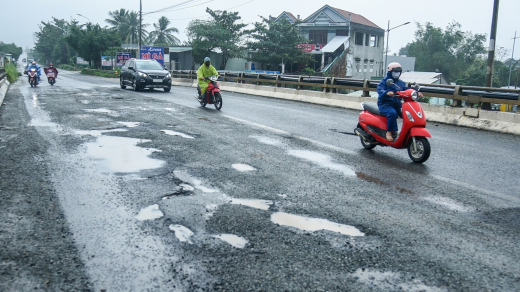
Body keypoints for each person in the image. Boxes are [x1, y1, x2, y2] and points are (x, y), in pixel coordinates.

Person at [376, 62, 409, 142]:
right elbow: (380, 89)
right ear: (390, 72)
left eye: (398, 72)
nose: (397, 73)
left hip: (397, 104)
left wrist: (415, 92)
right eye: (395, 71)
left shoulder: (401, 83)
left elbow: (406, 89)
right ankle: (389, 132)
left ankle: (407, 132)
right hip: (385, 104)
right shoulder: (384, 81)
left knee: (407, 114)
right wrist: (386, 93)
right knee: (392, 113)